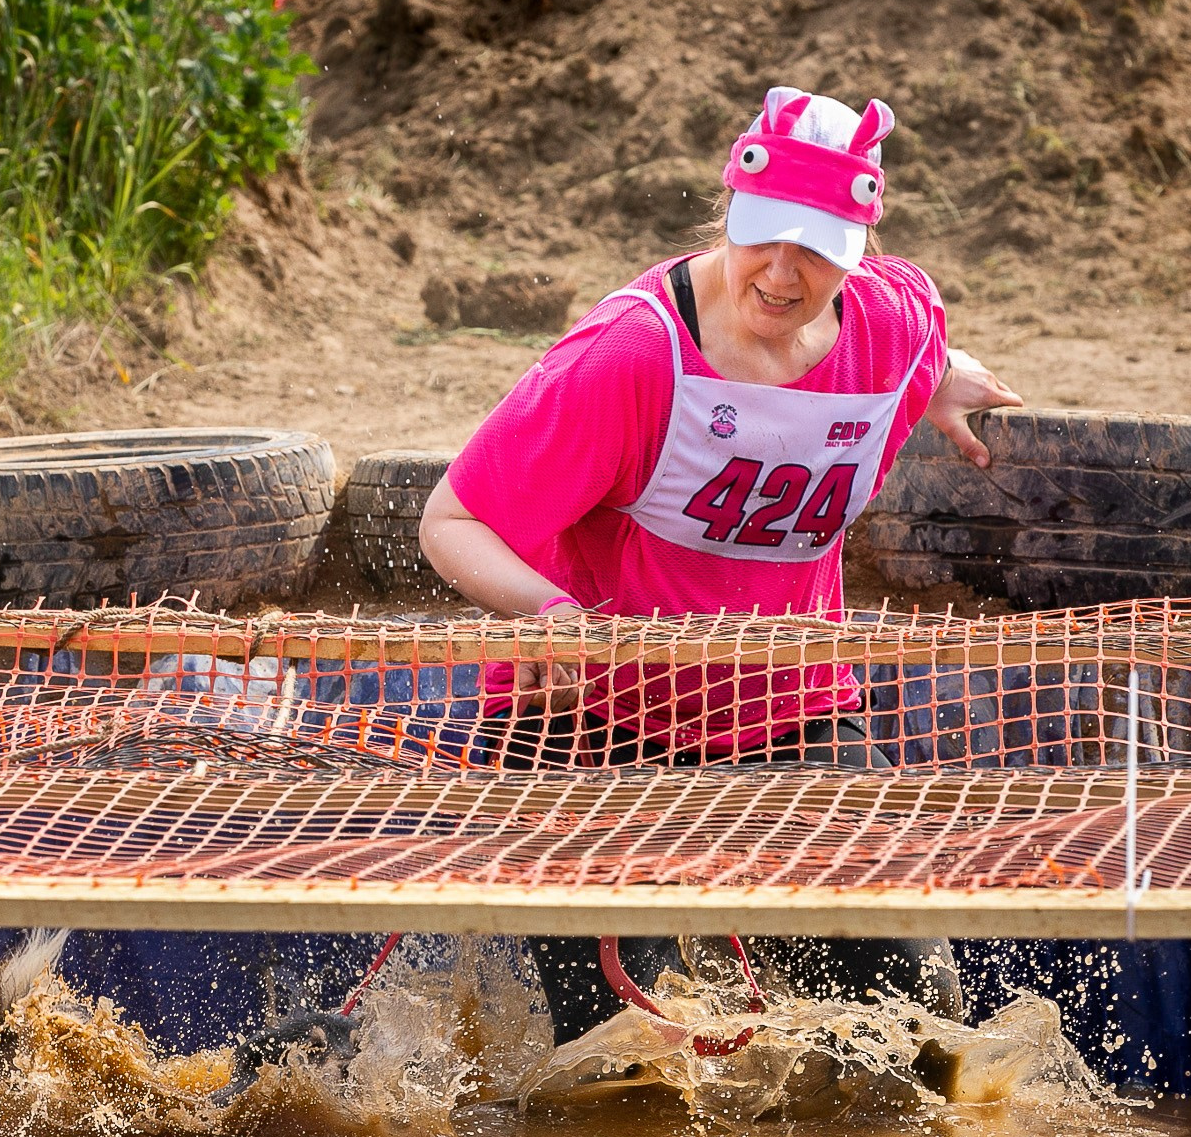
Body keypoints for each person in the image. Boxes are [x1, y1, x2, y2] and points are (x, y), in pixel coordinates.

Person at [418, 84, 1024, 1043]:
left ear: (858, 251)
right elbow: (450, 518)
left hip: (783, 710)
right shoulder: (630, 358)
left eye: (818, 251)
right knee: (629, 1052)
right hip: (590, 720)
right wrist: (548, 612)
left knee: (917, 1026)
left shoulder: (897, 328)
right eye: (764, 238)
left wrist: (938, 383)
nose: (782, 275)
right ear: (729, 215)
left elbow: (915, 351)